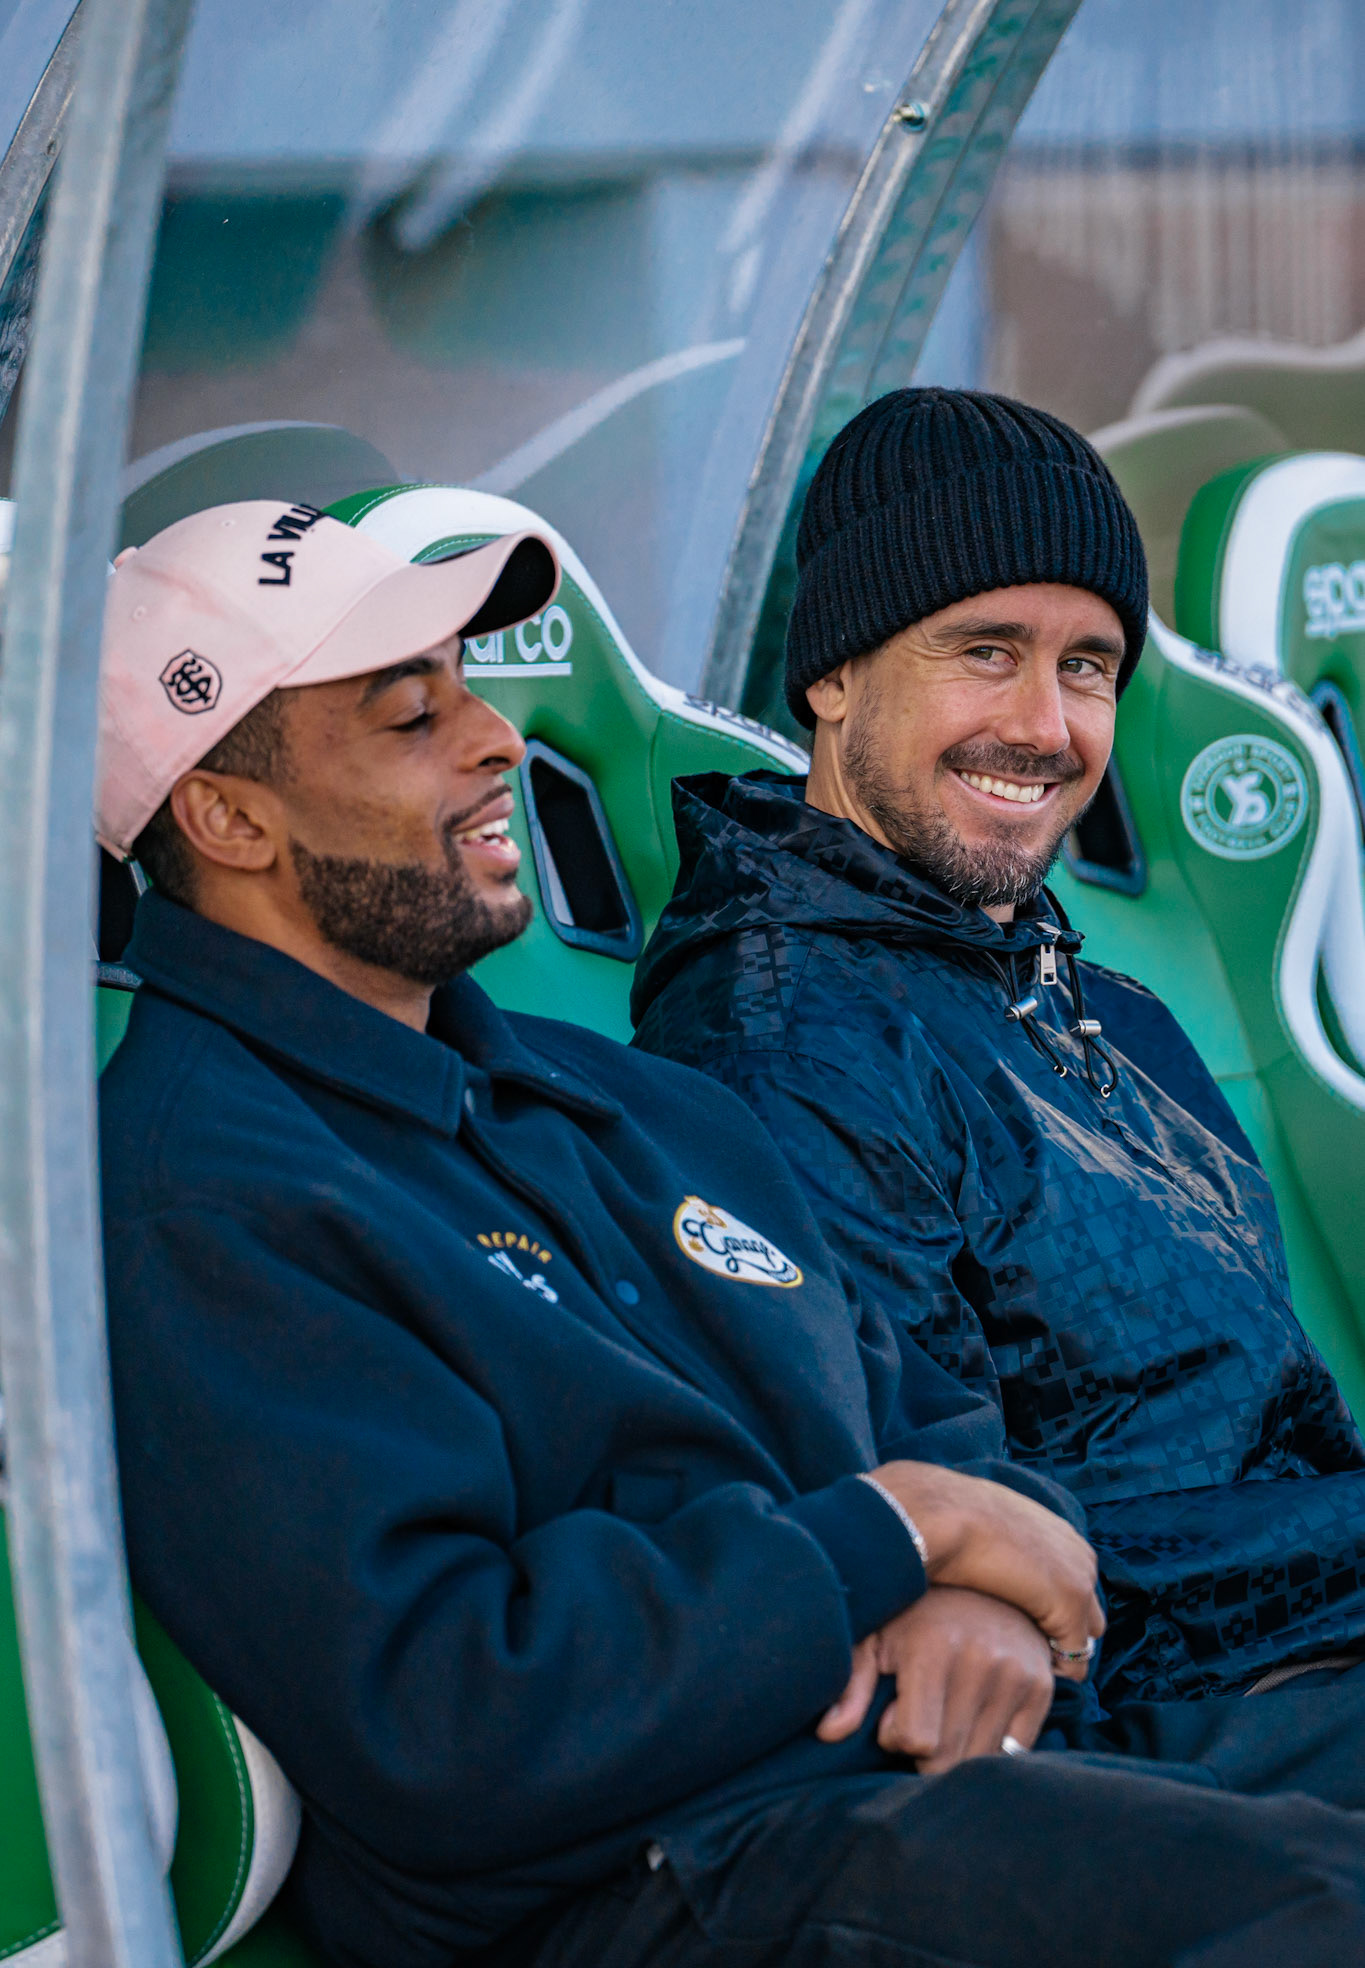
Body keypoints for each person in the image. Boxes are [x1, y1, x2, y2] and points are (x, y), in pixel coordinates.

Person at [100, 499, 1365, 1968]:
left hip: (936, 1769)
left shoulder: (623, 1105)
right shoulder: (206, 1190)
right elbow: (452, 1716)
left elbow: (938, 1424)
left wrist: (983, 1588)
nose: (496, 739)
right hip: (660, 1881)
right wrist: (884, 1542)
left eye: (468, 686)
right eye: (407, 716)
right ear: (228, 815)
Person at [630, 386, 1365, 1712]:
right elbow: (957, 1527)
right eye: (984, 650)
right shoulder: (784, 1041)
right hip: (1172, 1722)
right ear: (833, 675)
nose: (1044, 725)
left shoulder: (1094, 1002)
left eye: (1086, 664)